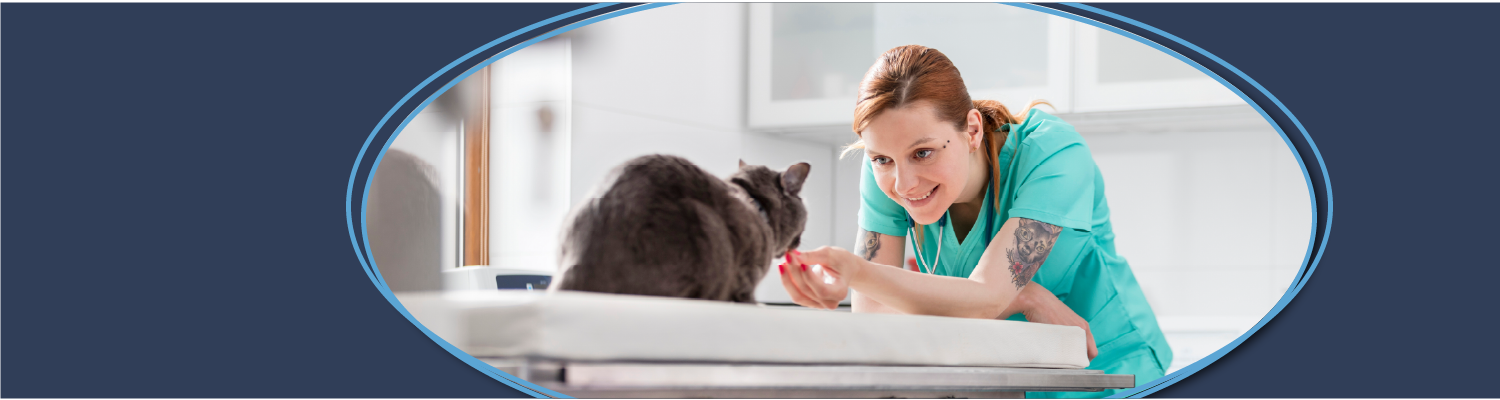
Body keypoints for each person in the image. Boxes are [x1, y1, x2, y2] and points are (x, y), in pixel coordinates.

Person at [779, 45, 1171, 398]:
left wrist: (856, 272)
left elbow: (985, 297)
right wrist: (1025, 296)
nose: (903, 184)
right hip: (1010, 376)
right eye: (881, 159)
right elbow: (874, 314)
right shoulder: (888, 170)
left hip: (1111, 369)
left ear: (971, 129)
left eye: (923, 153)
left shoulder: (1053, 155)